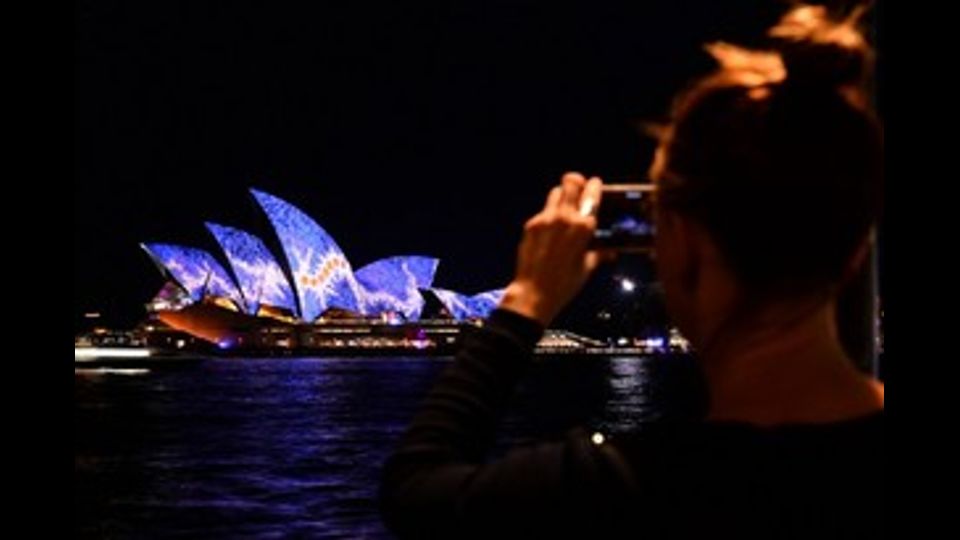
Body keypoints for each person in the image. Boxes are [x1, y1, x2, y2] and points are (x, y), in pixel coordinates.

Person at [380, 4, 884, 538]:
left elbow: (415, 494)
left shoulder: (625, 486)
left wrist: (526, 299)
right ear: (856, 250)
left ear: (682, 244)